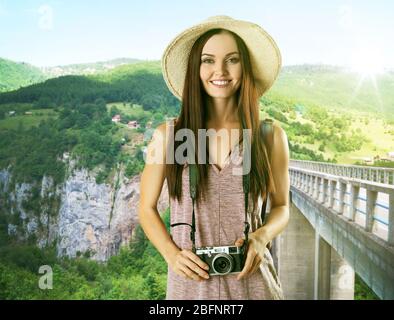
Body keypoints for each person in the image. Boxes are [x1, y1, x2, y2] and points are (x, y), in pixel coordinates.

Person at [138, 15, 290, 300]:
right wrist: (171, 254)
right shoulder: (168, 136)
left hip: (254, 285)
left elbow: (282, 207)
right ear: (195, 68)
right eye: (208, 60)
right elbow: (146, 208)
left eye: (232, 59)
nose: (220, 70)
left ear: (245, 68)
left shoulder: (270, 136)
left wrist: (261, 237)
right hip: (189, 288)